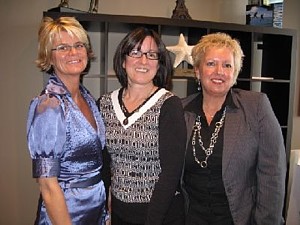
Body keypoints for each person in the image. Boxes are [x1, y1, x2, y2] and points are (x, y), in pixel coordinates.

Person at [181, 32, 286, 225]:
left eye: (227, 65)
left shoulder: (256, 106)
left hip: (240, 219)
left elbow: (273, 174)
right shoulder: (180, 110)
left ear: (235, 73)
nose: (219, 71)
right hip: (190, 218)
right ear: (197, 70)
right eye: (211, 63)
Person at [98, 27, 187, 225]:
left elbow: (171, 173)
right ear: (123, 60)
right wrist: (104, 209)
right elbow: (103, 166)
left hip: (160, 215)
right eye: (135, 52)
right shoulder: (104, 104)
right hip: (120, 213)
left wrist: (152, 220)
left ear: (159, 63)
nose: (143, 61)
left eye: (152, 54)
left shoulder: (169, 105)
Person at [26, 16, 108, 224]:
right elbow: (48, 186)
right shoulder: (49, 106)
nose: (73, 52)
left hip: (94, 212)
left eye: (78, 45)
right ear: (49, 57)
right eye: (62, 47)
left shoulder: (87, 97)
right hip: (66, 215)